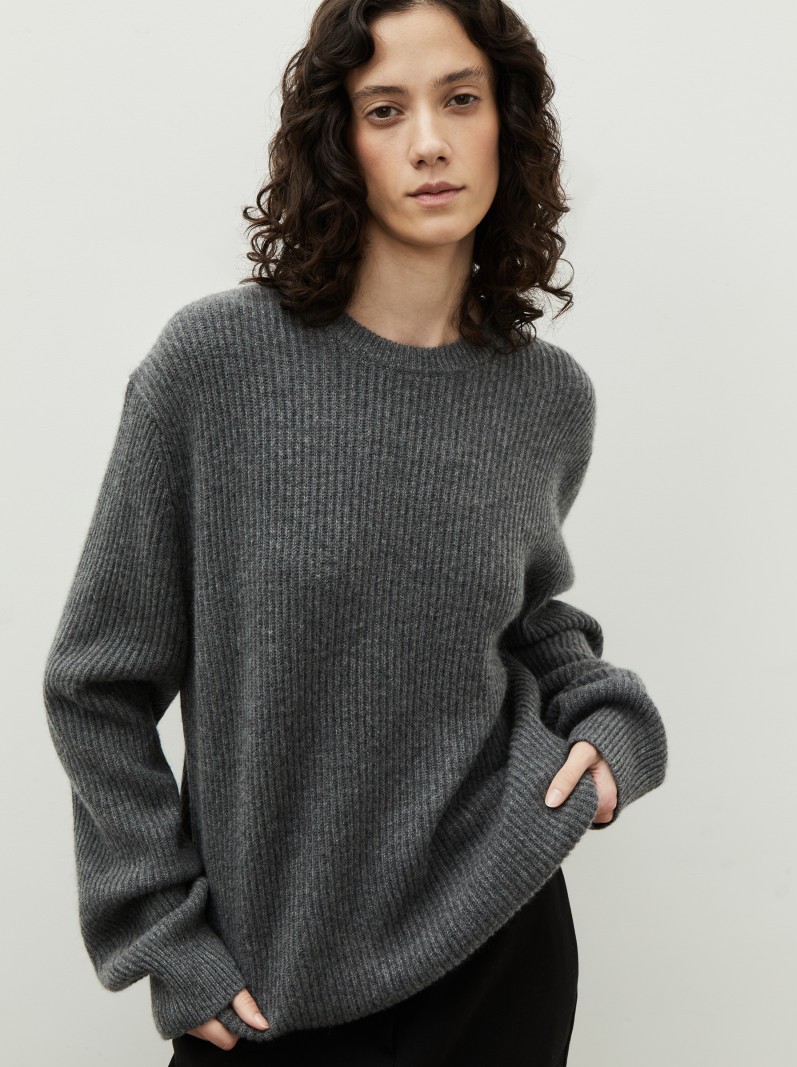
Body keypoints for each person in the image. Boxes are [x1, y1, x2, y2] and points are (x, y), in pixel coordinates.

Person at [42, 2, 669, 1065]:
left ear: (506, 124)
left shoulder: (546, 398)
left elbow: (521, 620)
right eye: (385, 109)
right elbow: (96, 684)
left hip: (499, 951)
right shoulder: (214, 367)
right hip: (269, 987)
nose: (428, 141)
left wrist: (609, 720)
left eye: (459, 99)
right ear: (339, 140)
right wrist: (162, 935)